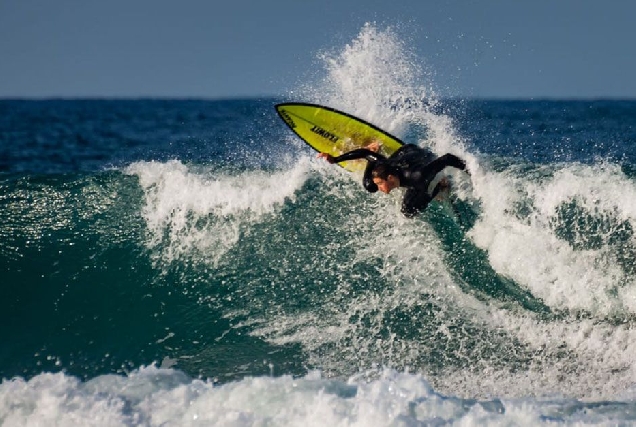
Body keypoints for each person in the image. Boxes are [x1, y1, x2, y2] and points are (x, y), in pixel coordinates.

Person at [318, 143, 468, 218]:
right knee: (368, 185)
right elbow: (364, 153)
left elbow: (447, 158)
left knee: (409, 211)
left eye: (380, 183)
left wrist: (470, 171)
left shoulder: (418, 176)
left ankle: (438, 187)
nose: (379, 188)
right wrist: (336, 159)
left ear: (389, 178)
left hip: (418, 155)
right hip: (402, 155)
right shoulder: (383, 165)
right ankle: (374, 151)